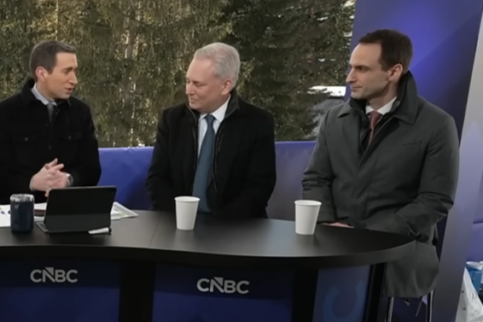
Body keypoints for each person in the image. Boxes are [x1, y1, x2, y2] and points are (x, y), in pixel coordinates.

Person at [302, 29, 458, 299]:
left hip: (398, 250)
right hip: (334, 242)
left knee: (364, 298)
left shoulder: (437, 125)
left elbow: (435, 200)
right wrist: (327, 223)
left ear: (394, 72)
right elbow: (316, 179)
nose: (350, 77)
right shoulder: (333, 119)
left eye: (362, 69)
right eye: (351, 67)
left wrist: (369, 235)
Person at [145, 43, 277, 219]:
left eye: (198, 84)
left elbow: (259, 188)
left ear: (225, 86)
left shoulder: (258, 123)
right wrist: (182, 220)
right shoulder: (172, 120)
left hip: (235, 226)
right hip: (176, 222)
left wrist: (218, 226)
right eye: (188, 81)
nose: (188, 91)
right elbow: (157, 179)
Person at [0, 40, 101, 206]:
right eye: (66, 71)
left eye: (74, 71)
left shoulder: (81, 112)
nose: (74, 80)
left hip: (67, 211)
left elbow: (92, 170)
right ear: (42, 73)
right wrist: (32, 183)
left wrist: (68, 179)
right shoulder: (5, 112)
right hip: (15, 213)